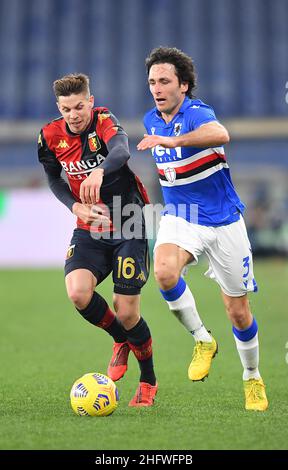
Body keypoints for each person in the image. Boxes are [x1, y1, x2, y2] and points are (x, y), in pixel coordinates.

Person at [137, 47, 268, 411]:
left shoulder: (197, 113)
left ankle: (252, 377)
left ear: (184, 84)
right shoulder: (151, 119)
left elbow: (221, 134)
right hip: (182, 215)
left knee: (238, 312)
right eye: (152, 82)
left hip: (225, 220)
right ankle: (202, 339)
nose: (157, 88)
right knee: (163, 272)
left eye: (164, 81)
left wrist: (174, 140)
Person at [38, 73, 157, 407]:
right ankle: (119, 339)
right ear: (58, 108)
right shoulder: (49, 136)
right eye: (66, 109)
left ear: (90, 101)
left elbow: (121, 149)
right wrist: (75, 205)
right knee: (77, 292)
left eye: (79, 106)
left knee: (127, 310)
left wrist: (99, 169)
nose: (74, 115)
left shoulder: (104, 121)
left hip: (129, 221)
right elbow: (53, 179)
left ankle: (148, 379)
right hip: (89, 225)